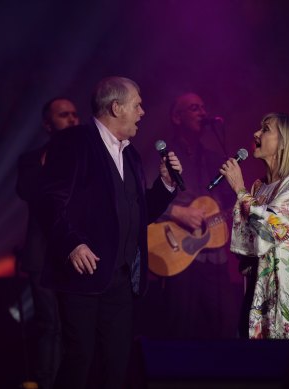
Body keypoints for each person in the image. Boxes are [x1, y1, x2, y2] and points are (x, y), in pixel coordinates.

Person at [38, 76, 182, 389]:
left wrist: (166, 185)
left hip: (120, 279)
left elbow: (138, 213)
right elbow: (49, 201)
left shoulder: (129, 154)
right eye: (137, 105)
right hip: (83, 276)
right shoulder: (74, 141)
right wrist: (72, 244)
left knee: (116, 365)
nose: (142, 112)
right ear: (116, 108)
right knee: (80, 360)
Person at [219, 112, 289, 339]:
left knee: (282, 362)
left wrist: (240, 190)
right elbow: (246, 241)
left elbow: (275, 226)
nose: (256, 133)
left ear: (284, 142)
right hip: (257, 286)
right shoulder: (260, 187)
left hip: (285, 292)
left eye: (265, 129)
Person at [154, 92, 239, 339]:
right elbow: (141, 199)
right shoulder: (163, 156)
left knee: (224, 326)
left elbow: (231, 202)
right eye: (194, 108)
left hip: (215, 256)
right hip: (178, 253)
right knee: (180, 327)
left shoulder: (214, 158)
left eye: (203, 107)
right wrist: (176, 212)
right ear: (176, 117)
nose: (202, 112)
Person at [16, 97, 80, 389]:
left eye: (74, 114)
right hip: (42, 253)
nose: (71, 119)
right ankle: (46, 383)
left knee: (76, 327)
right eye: (63, 114)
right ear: (47, 123)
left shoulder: (86, 157)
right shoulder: (32, 159)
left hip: (78, 253)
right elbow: (28, 192)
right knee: (49, 325)